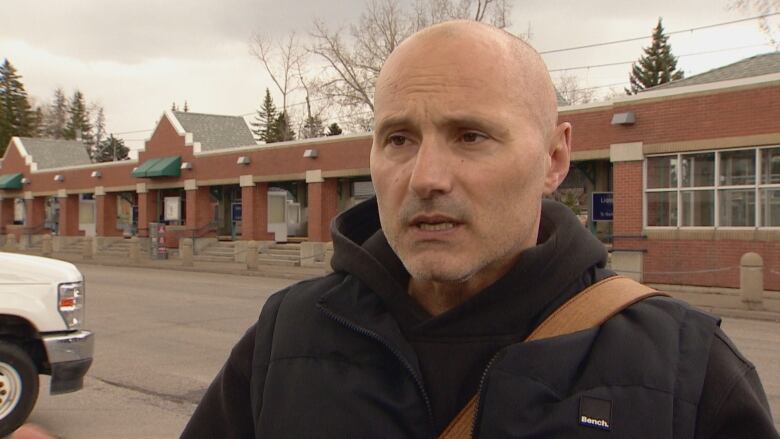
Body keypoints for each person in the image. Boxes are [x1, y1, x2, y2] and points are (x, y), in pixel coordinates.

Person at [178, 20, 779, 438]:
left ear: (553, 159)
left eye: (470, 135)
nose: (426, 177)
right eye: (398, 139)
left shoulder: (686, 368)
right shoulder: (285, 339)